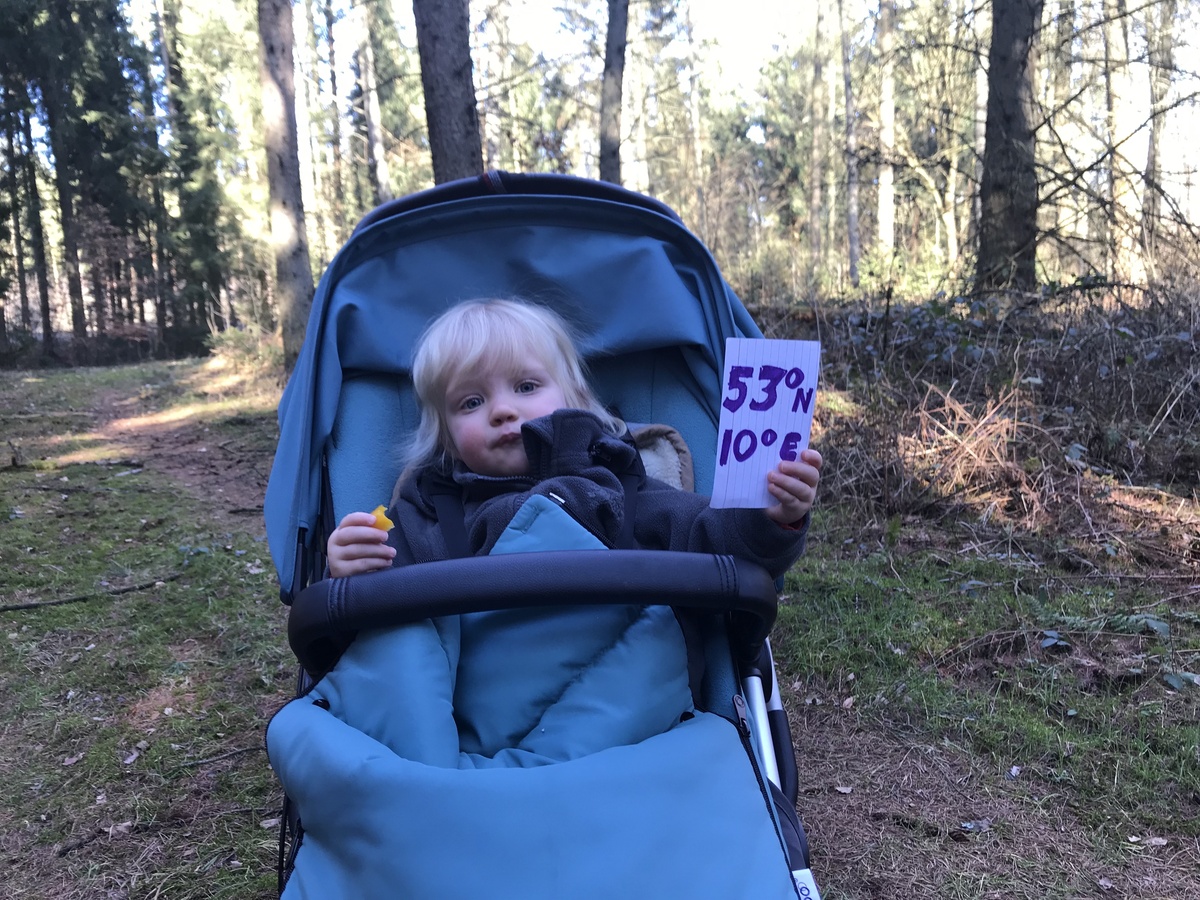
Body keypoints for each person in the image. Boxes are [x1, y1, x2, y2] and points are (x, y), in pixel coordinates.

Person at [326, 297, 822, 577]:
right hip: (475, 708)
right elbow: (379, 616)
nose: (503, 410)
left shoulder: (623, 487)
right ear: (448, 439)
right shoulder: (426, 517)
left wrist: (771, 518)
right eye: (471, 402)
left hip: (625, 695)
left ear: (577, 398)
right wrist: (348, 571)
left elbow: (713, 540)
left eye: (526, 386)